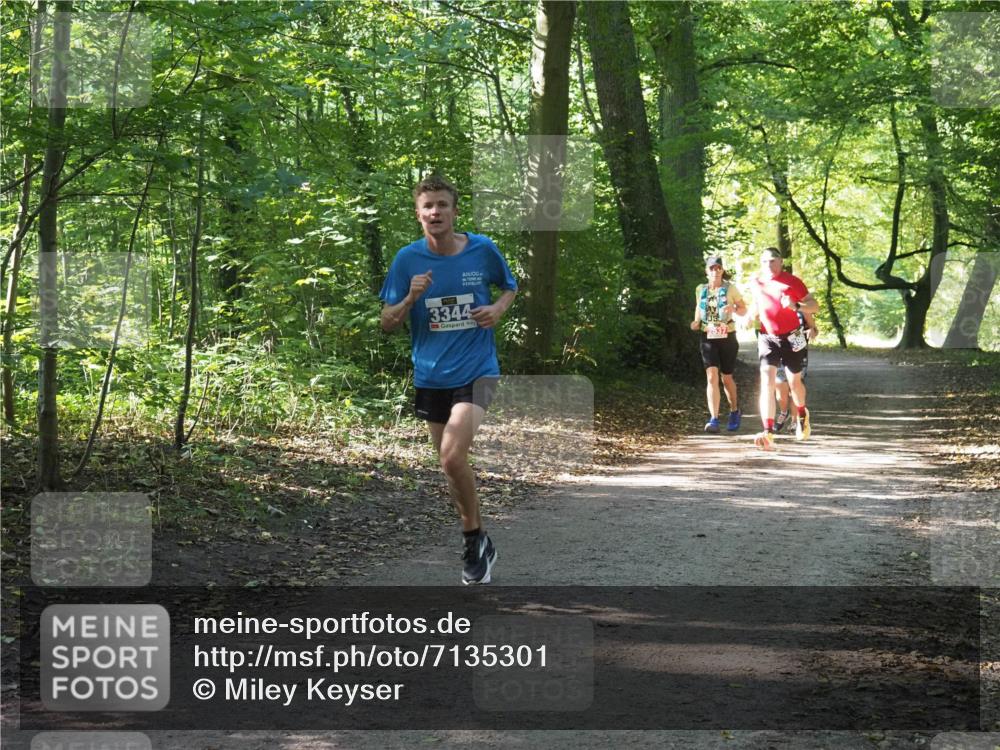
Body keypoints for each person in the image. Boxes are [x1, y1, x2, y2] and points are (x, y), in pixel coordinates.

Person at [379, 175, 517, 584]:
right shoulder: (407, 260)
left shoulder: (481, 249)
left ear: (455, 211)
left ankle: (472, 541)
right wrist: (410, 298)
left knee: (452, 456)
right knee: (449, 464)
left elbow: (509, 287)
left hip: (477, 369)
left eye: (442, 204)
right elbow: (386, 322)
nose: (435, 212)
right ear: (418, 214)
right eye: (428, 206)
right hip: (431, 375)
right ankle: (480, 539)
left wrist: (497, 309)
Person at [748, 247, 819, 451]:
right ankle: (768, 432)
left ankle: (802, 413)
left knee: (794, 382)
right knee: (767, 383)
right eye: (764, 262)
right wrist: (748, 317)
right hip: (767, 337)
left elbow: (814, 306)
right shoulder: (757, 282)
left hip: (793, 336)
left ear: (781, 262)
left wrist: (796, 306)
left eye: (772, 261)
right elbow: (756, 305)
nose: (768, 265)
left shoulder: (793, 282)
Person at [690, 255, 747, 433]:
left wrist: (734, 309)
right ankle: (713, 419)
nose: (715, 271)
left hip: (727, 336)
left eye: (718, 268)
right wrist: (696, 322)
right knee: (711, 376)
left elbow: (744, 309)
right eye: (712, 268)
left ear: (722, 270)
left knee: (726, 377)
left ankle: (734, 411)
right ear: (706, 271)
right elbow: (699, 307)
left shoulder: (730, 288)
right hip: (708, 337)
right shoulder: (701, 289)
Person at [774, 311, 818, 433]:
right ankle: (784, 412)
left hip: (797, 347)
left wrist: (811, 331)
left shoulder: (801, 308)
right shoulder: (774, 305)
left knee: (795, 384)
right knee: (780, 385)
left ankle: (795, 420)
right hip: (778, 346)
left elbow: (814, 329)